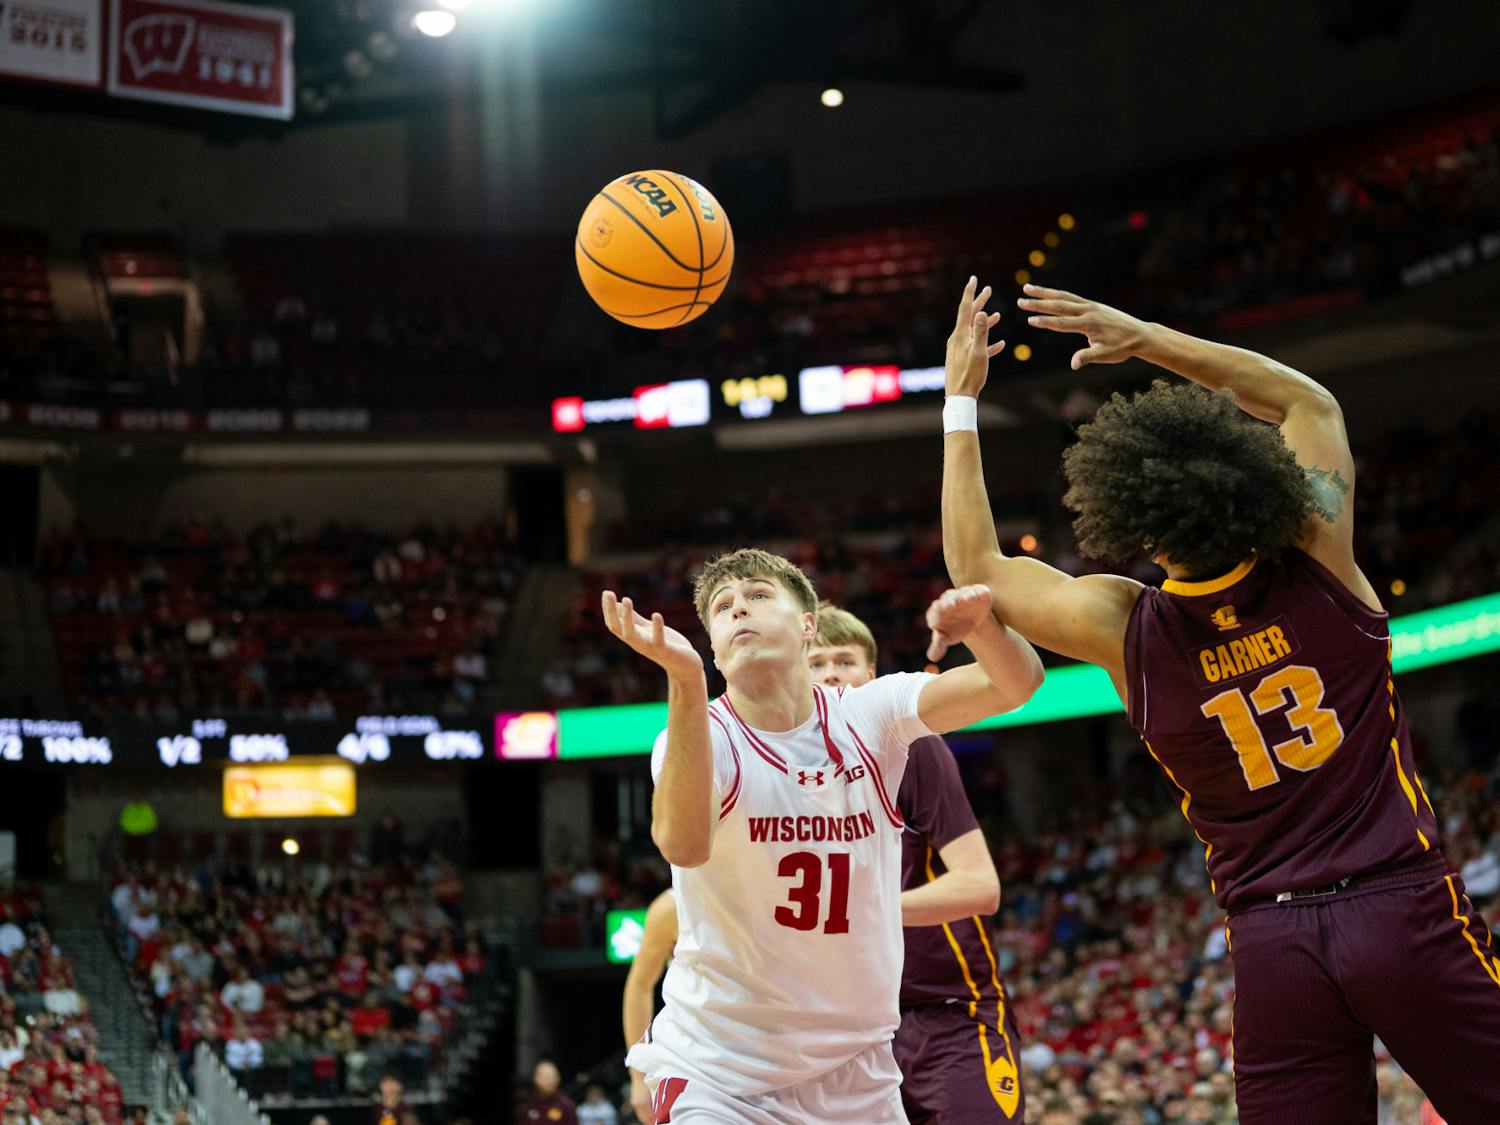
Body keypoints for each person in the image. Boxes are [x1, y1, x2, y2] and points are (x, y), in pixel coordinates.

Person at [937, 278, 1500, 1124]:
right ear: (1252, 490)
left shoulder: (1121, 625)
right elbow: (1306, 402)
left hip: (1273, 946)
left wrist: (958, 404)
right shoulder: (1319, 556)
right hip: (1402, 905)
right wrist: (1148, 337)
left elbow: (976, 559)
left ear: (1139, 525)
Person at [605, 547, 1042, 1123]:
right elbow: (683, 846)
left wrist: (984, 628)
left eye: (758, 595)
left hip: (859, 1068)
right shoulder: (696, 736)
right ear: (711, 644)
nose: (738, 609)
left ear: (807, 625)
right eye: (721, 606)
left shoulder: (871, 714)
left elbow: (1014, 684)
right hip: (720, 1070)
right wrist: (685, 682)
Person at [810, 604, 1023, 1122]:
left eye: (845, 660)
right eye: (816, 663)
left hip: (947, 1013)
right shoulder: (782, 775)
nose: (832, 672)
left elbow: (979, 887)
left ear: (872, 674)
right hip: (847, 1030)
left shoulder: (912, 748)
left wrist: (860, 911)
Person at [621, 890, 678, 1124]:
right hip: (695, 1061)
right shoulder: (672, 906)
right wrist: (638, 1075)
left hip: (778, 1055)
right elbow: (640, 984)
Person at [520, 1059, 578, 1125]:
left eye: (553, 1077)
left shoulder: (567, 1105)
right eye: (546, 1077)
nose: (550, 1081)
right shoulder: (529, 1104)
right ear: (536, 1079)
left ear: (559, 1078)